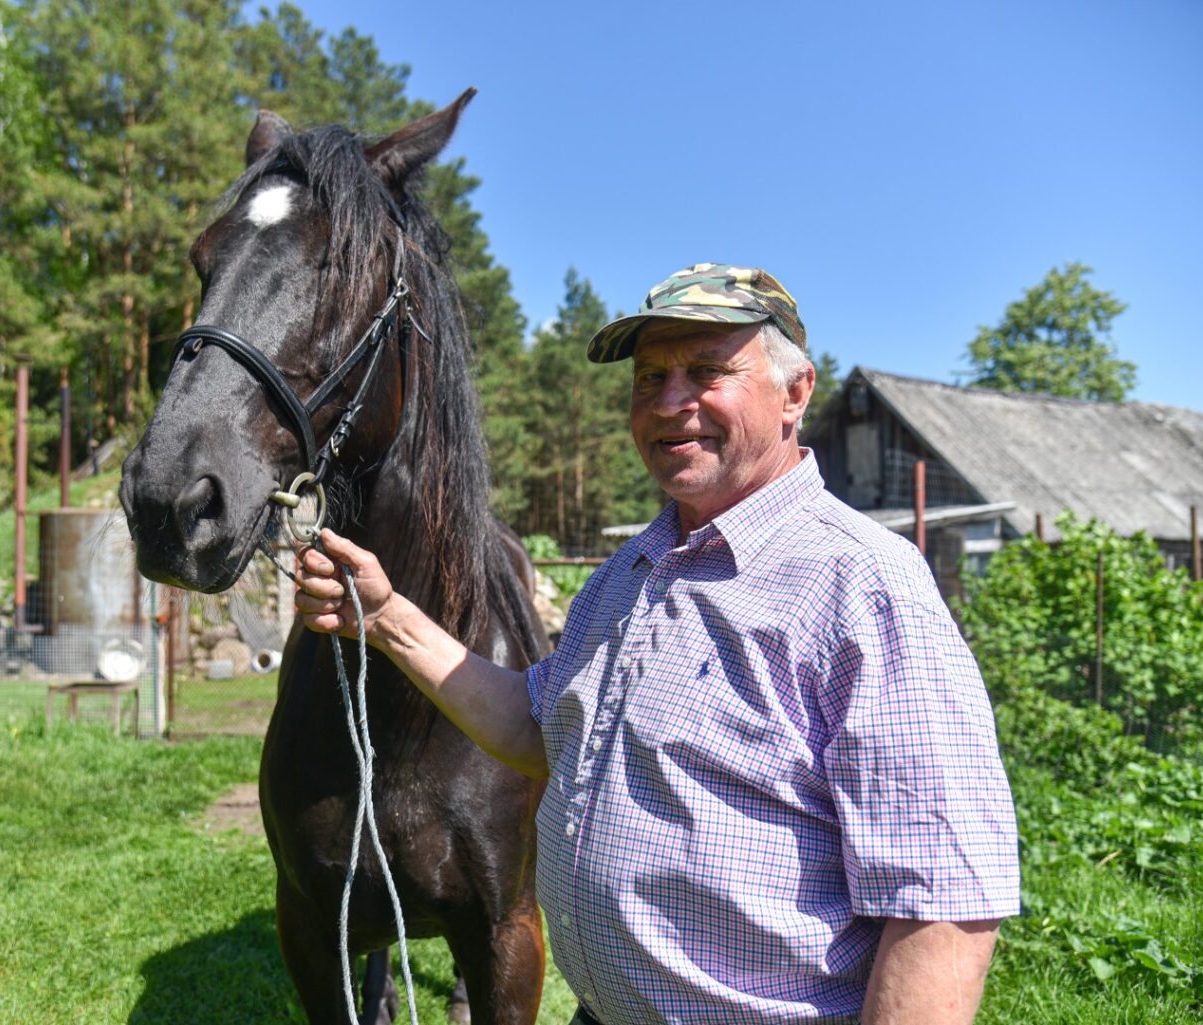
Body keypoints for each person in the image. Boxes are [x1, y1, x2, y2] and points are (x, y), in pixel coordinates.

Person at [295, 264, 1020, 1025]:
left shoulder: (862, 585)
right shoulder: (627, 573)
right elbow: (537, 729)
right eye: (650, 378)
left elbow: (942, 905)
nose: (672, 403)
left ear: (796, 392)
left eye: (708, 371)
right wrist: (383, 615)